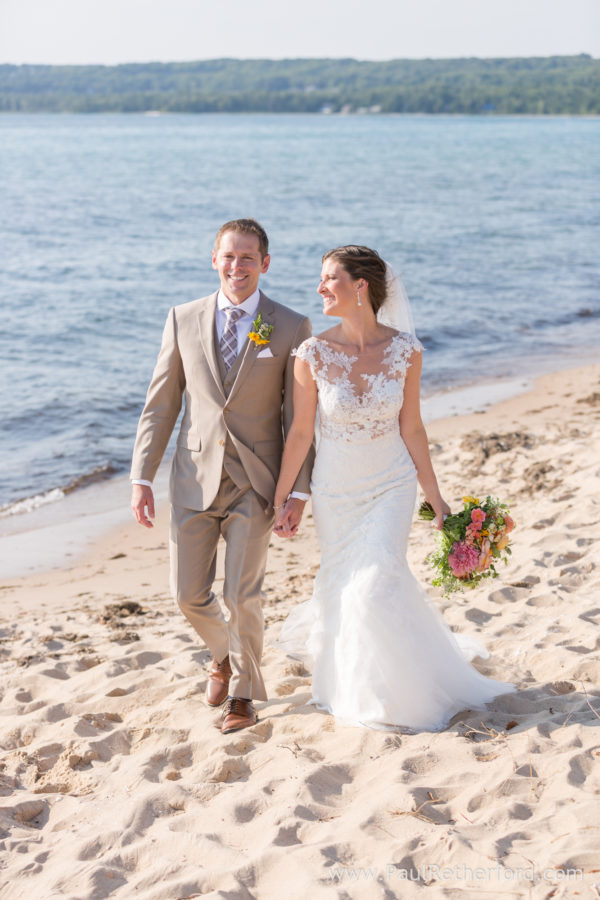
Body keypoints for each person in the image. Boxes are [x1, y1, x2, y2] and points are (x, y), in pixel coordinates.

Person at [273, 245, 515, 732]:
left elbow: (413, 428)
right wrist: (284, 497)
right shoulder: (312, 353)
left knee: (375, 586)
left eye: (329, 278)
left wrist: (436, 496)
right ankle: (357, 684)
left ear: (360, 286)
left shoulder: (406, 350)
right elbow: (300, 433)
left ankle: (392, 699)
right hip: (338, 492)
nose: (320, 288)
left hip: (391, 485)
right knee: (345, 588)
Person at [130, 219, 314, 734]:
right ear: (215, 259)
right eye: (229, 257)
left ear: (265, 264)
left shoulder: (291, 325)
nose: (238, 266)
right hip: (192, 476)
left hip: (257, 481)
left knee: (242, 594)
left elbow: (300, 418)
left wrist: (298, 489)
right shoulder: (182, 318)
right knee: (187, 594)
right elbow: (161, 404)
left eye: (248, 258)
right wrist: (140, 476)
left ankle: (243, 696)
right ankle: (221, 655)